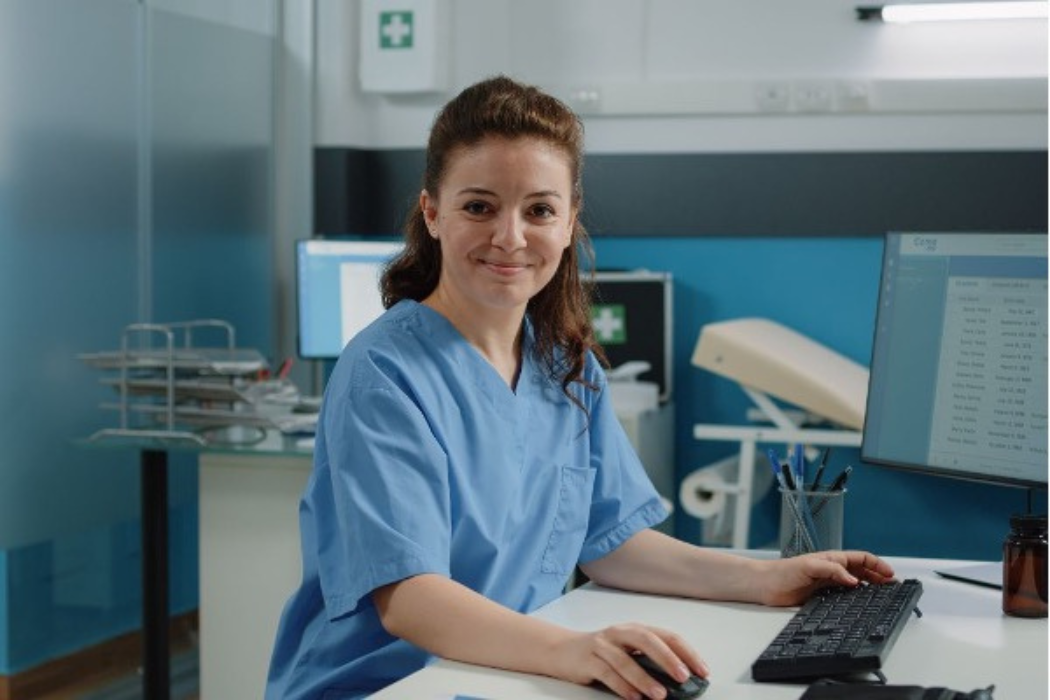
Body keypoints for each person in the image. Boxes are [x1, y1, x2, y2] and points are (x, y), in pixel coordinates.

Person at [266, 75, 896, 700]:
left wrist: (766, 579)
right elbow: (409, 598)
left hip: (504, 672)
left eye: (539, 209)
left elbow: (613, 544)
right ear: (432, 212)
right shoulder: (384, 372)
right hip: (389, 685)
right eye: (479, 206)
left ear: (569, 223)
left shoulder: (565, 367)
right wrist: (575, 651)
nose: (510, 236)